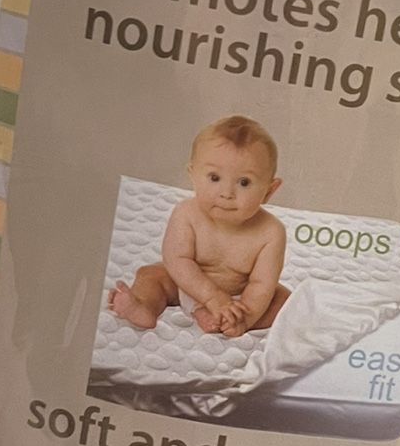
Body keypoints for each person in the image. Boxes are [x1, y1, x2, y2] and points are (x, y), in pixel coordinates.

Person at [108, 116, 290, 337]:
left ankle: (226, 321)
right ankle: (144, 306)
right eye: (214, 178)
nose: (227, 193)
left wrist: (245, 317)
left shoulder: (271, 232)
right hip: (185, 285)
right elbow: (177, 260)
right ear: (193, 176)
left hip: (240, 296)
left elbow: (261, 284)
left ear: (269, 191)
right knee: (151, 275)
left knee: (283, 300)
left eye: (244, 182)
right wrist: (212, 298)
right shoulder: (186, 213)